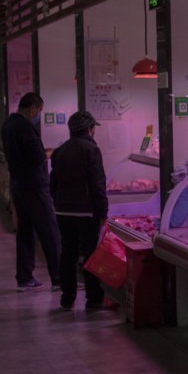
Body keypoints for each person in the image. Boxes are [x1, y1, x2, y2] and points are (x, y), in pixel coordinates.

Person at [0, 92, 61, 292]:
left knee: (25, 232)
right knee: (50, 232)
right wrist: (50, 153)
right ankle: (59, 278)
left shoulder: (8, 125)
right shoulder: (26, 126)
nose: (39, 115)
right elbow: (36, 156)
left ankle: (24, 278)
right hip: (35, 187)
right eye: (40, 111)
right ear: (33, 108)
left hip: (19, 185)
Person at [50, 111, 109, 310]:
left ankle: (67, 297)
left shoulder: (59, 151)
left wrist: (57, 203)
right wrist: (103, 212)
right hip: (86, 212)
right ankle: (93, 299)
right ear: (90, 129)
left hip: (63, 212)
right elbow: (98, 184)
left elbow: (53, 182)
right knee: (90, 255)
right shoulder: (92, 150)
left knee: (68, 253)